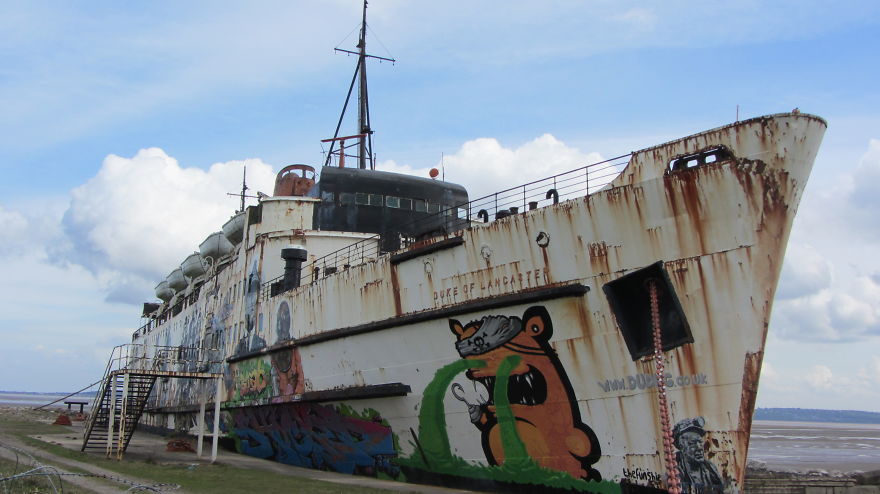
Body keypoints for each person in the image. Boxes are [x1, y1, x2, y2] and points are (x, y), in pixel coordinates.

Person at [673, 417, 724, 494]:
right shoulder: (673, 473)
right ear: (682, 447)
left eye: (700, 442)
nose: (699, 447)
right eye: (693, 443)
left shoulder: (710, 469)